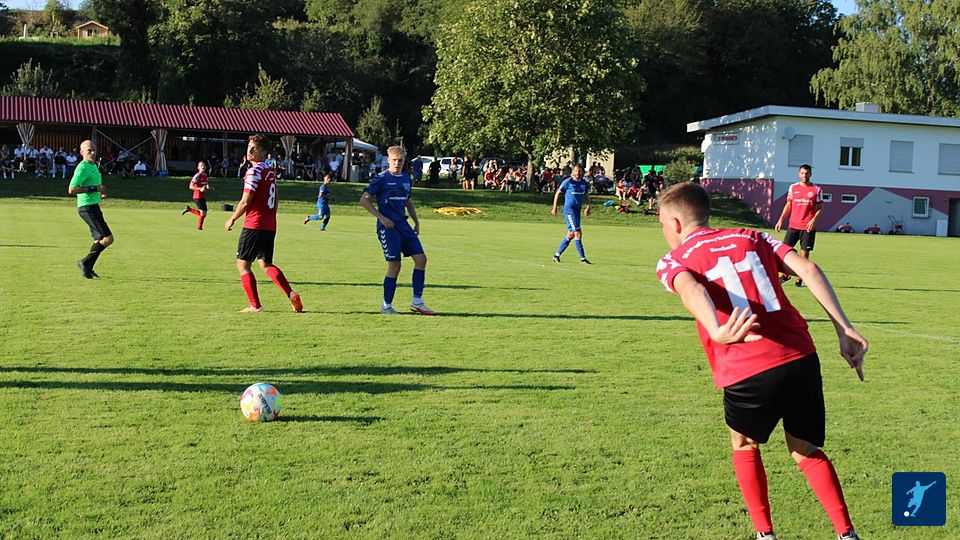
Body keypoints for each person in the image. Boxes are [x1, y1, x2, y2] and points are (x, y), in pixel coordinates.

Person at [654, 182, 867, 540]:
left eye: (662, 224)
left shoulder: (674, 259)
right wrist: (844, 329)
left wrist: (717, 329)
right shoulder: (753, 236)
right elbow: (809, 270)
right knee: (806, 449)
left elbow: (691, 288)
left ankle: (765, 534)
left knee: (744, 445)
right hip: (800, 357)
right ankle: (846, 533)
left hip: (747, 364)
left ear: (674, 223)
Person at [225, 134, 303, 314]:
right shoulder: (269, 170)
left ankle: (255, 306)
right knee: (266, 264)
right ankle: (291, 294)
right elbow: (276, 197)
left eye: (255, 148)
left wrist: (232, 218)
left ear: (264, 152)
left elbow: (246, 201)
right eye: (249, 147)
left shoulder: (254, 171)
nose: (250, 151)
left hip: (254, 224)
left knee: (243, 265)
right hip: (269, 224)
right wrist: (270, 215)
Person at [359, 145, 434, 315]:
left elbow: (408, 201)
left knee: (421, 260)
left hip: (403, 225)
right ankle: (386, 306)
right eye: (394, 160)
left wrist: (416, 221)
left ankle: (417, 302)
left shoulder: (406, 177)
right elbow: (364, 200)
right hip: (388, 227)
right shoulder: (381, 178)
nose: (397, 163)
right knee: (395, 265)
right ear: (388, 160)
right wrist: (382, 217)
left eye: (400, 160)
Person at [67, 140, 113, 279]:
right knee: (108, 238)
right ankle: (85, 263)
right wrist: (95, 188)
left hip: (93, 206)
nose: (92, 153)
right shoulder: (82, 168)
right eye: (89, 150)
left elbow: (96, 185)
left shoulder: (93, 166)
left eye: (94, 150)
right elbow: (72, 189)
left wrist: (101, 192)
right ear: (82, 152)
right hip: (87, 207)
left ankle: (88, 269)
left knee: (99, 239)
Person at [774, 164, 822, 287]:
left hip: (807, 227)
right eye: (802, 173)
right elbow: (788, 205)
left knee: (804, 255)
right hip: (793, 226)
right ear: (799, 174)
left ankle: (800, 278)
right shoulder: (793, 188)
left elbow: (820, 208)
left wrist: (814, 220)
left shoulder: (816, 190)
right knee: (783, 252)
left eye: (806, 173)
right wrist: (780, 220)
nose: (804, 175)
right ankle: (785, 275)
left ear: (810, 174)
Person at [551, 163, 592, 264]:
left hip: (577, 211)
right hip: (569, 211)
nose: (577, 173)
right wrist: (554, 207)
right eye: (576, 171)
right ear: (573, 171)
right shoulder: (568, 182)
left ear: (582, 172)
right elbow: (557, 193)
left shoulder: (584, 183)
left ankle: (556, 255)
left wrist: (588, 206)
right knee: (578, 233)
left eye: (579, 171)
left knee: (571, 234)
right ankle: (583, 259)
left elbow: (586, 195)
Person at [182, 161, 213, 230]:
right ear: (198, 167)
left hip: (202, 196)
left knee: (204, 213)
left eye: (204, 165)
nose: (203, 166)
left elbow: (205, 184)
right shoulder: (197, 176)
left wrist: (208, 187)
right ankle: (199, 228)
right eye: (201, 165)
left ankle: (189, 209)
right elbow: (190, 186)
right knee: (203, 213)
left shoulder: (205, 176)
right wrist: (200, 189)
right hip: (197, 196)